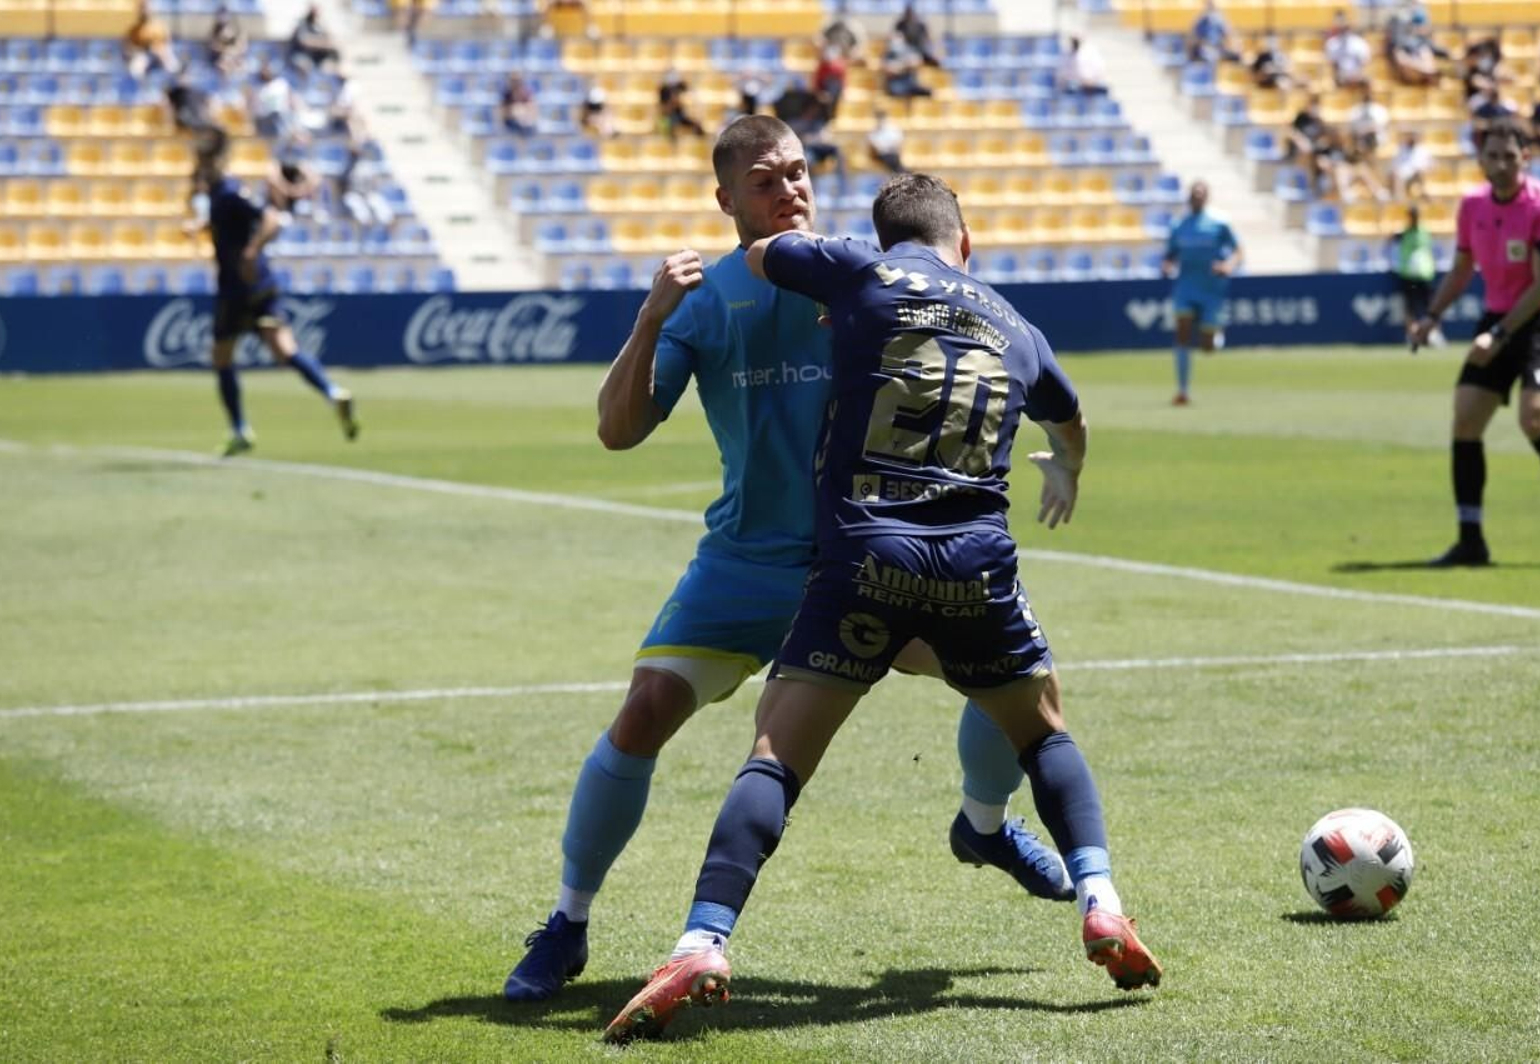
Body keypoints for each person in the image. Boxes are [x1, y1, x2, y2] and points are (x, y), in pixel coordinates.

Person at [501, 116, 1076, 1006]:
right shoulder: (706, 296)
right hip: (747, 559)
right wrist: (651, 316)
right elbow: (618, 430)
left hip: (870, 554)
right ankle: (568, 924)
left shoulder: (863, 275)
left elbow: (988, 343)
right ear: (725, 198)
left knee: (1015, 690)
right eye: (767, 180)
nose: (792, 190)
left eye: (801, 173)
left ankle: (984, 825)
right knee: (644, 711)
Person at [602, 172, 1162, 1043]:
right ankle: (1101, 899)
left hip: (867, 555)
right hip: (978, 563)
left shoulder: (860, 272)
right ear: (965, 244)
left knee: (777, 756)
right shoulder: (1012, 320)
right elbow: (1072, 416)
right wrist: (1066, 469)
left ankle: (702, 942)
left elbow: (759, 252)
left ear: (882, 234)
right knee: (1043, 730)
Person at [1407, 122, 1540, 566]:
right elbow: (1461, 269)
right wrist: (1431, 316)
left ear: (1525, 157)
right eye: (1494, 156)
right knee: (1466, 418)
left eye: (1511, 156)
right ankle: (1471, 539)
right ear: (1481, 160)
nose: (1502, 165)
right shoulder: (1472, 206)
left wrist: (1500, 335)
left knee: (1535, 418)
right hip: (1498, 319)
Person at [193, 132, 358, 457]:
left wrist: (252, 251)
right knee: (285, 350)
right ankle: (331, 391)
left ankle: (240, 429)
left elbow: (270, 220)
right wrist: (201, 227)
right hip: (261, 286)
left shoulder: (226, 192)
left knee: (221, 356)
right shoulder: (218, 195)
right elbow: (231, 226)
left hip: (237, 288)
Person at [1162, 180, 1241, 405]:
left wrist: (1229, 265)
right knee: (1182, 333)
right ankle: (1182, 391)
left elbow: (1238, 250)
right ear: (1189, 197)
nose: (1196, 197)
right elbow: (1170, 254)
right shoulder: (1179, 225)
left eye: (1200, 194)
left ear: (1206, 197)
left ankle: (1214, 337)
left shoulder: (1219, 223)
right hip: (1186, 286)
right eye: (1193, 194)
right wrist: (1167, 264)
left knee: (1206, 347)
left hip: (1212, 289)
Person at [1389, 203, 1441, 343]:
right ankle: (1412, 335)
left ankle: (1433, 335)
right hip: (1408, 275)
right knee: (1410, 308)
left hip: (1425, 274)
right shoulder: (1402, 233)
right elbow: (1391, 243)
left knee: (1431, 307)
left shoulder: (1425, 231)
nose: (1414, 218)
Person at [123, 1, 179, 81]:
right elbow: (129, 47)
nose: (145, 12)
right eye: (142, 10)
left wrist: (159, 50)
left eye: (146, 9)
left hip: (159, 52)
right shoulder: (134, 29)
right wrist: (140, 50)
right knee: (136, 68)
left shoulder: (159, 26)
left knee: (173, 66)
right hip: (143, 54)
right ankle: (141, 85)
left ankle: (172, 84)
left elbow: (167, 43)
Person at [881, 30, 934, 106]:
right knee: (898, 94)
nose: (897, 41)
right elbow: (889, 71)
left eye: (898, 38)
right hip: (896, 86)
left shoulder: (908, 50)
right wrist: (904, 66)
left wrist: (902, 67)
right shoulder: (888, 55)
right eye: (894, 38)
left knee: (928, 92)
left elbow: (917, 61)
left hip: (910, 83)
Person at [288, 4, 340, 73]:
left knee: (330, 64)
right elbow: (305, 41)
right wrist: (321, 43)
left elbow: (329, 39)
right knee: (305, 65)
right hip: (300, 55)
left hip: (315, 56)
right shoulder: (302, 24)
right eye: (313, 13)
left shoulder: (317, 26)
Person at [657, 69, 706, 140]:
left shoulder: (678, 88)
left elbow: (688, 89)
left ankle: (700, 143)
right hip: (667, 117)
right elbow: (663, 108)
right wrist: (670, 106)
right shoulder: (663, 90)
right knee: (669, 130)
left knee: (697, 125)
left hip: (678, 115)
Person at [1324, 18, 1371, 89]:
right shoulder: (1332, 43)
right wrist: (1340, 75)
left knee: (1368, 81)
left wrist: (1356, 75)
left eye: (1345, 28)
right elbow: (1332, 64)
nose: (1343, 31)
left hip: (1357, 74)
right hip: (1340, 76)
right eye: (1341, 29)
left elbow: (1364, 62)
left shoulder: (1359, 42)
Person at [1188, 0, 1237, 65]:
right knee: (1208, 57)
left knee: (1234, 57)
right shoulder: (1201, 20)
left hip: (1218, 48)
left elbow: (1229, 33)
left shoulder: (1220, 18)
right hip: (1205, 49)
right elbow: (1194, 36)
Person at [1392, 129, 1433, 200]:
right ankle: (1400, 201)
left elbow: (1431, 166)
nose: (1411, 137)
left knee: (1420, 174)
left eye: (1413, 135)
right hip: (1404, 176)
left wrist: (1423, 170)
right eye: (1409, 135)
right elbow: (1396, 165)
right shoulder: (1401, 149)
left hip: (1418, 175)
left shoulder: (1424, 150)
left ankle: (1425, 195)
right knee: (1397, 177)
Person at [867, 107, 906, 173]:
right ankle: (901, 172)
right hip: (880, 155)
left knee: (893, 157)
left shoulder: (892, 128)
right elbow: (876, 146)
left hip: (892, 153)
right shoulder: (873, 131)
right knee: (892, 159)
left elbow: (899, 139)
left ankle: (900, 171)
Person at [500, 72, 538, 137]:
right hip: (511, 123)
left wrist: (523, 112)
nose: (516, 83)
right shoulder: (507, 95)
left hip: (525, 123)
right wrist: (513, 111)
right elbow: (502, 113)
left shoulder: (526, 93)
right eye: (514, 81)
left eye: (518, 81)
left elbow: (533, 110)